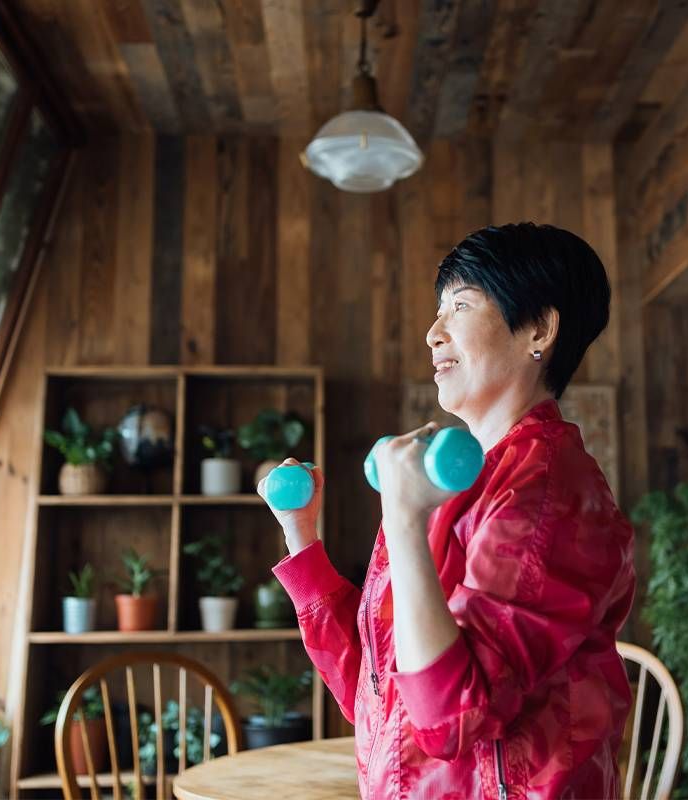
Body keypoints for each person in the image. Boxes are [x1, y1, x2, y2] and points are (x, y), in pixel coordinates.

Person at [258, 223, 636, 799]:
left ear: (539, 328)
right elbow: (378, 695)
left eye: (459, 306)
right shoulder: (446, 484)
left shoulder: (551, 492)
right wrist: (301, 536)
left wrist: (404, 519)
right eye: (439, 310)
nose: (432, 333)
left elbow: (450, 719)